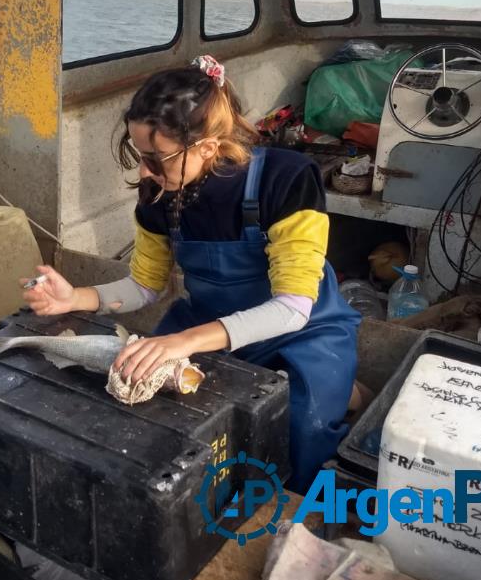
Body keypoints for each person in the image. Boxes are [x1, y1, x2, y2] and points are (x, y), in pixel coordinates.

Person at [22, 55, 361, 494]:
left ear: (207, 146)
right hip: (205, 319)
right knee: (150, 405)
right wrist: (76, 298)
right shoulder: (157, 196)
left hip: (302, 330)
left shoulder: (287, 179)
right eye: (137, 153)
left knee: (305, 430)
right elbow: (144, 286)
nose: (144, 171)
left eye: (156, 157)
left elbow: (292, 308)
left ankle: (349, 398)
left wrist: (179, 343)